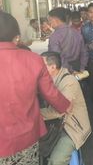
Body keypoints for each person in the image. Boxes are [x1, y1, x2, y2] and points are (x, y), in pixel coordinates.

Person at [0, 11, 71, 164]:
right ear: (17, 37)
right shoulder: (34, 60)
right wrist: (65, 106)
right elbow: (50, 93)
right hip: (27, 137)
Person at [40, 52, 91, 165]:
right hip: (58, 125)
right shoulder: (49, 79)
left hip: (72, 129)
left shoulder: (69, 82)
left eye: (41, 65)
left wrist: (35, 114)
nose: (38, 68)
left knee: (56, 161)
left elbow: (60, 110)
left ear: (53, 67)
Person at [48, 7, 88, 73]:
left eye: (50, 20)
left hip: (63, 70)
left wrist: (70, 70)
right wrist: (82, 68)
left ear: (56, 20)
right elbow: (84, 52)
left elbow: (57, 57)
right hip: (78, 67)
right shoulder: (76, 32)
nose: (49, 23)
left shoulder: (55, 36)